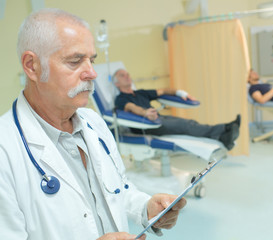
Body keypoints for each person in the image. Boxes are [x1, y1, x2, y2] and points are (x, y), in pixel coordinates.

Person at [0, 8, 187, 240]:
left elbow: (118, 188)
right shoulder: (5, 151)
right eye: (75, 61)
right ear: (32, 66)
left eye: (92, 60)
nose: (92, 73)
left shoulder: (93, 122)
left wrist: (145, 208)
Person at [113, 68, 241, 150]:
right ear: (116, 83)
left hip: (157, 119)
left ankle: (222, 136)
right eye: (122, 75)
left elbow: (163, 90)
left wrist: (180, 93)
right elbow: (131, 107)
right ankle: (225, 129)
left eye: (127, 74)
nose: (127, 76)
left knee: (190, 123)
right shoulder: (121, 98)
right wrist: (145, 112)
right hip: (145, 125)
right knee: (185, 125)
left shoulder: (140, 92)